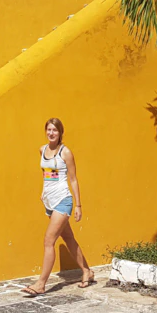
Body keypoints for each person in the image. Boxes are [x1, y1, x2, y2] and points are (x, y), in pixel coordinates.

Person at [21, 118, 95, 296]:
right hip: (49, 201)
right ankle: (87, 271)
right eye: (49, 129)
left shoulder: (65, 152)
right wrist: (43, 191)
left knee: (49, 241)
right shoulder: (42, 150)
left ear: (60, 132)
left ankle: (41, 284)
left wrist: (78, 205)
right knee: (68, 238)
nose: (51, 133)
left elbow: (73, 179)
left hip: (63, 200)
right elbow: (46, 173)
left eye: (55, 130)